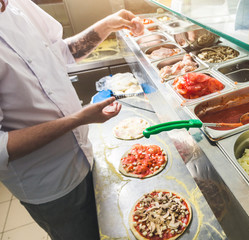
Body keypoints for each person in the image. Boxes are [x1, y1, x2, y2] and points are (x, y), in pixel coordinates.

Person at [0, 0, 144, 239]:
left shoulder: (19, 4)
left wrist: (108, 24)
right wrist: (78, 119)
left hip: (85, 153)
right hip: (52, 184)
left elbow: (62, 52)